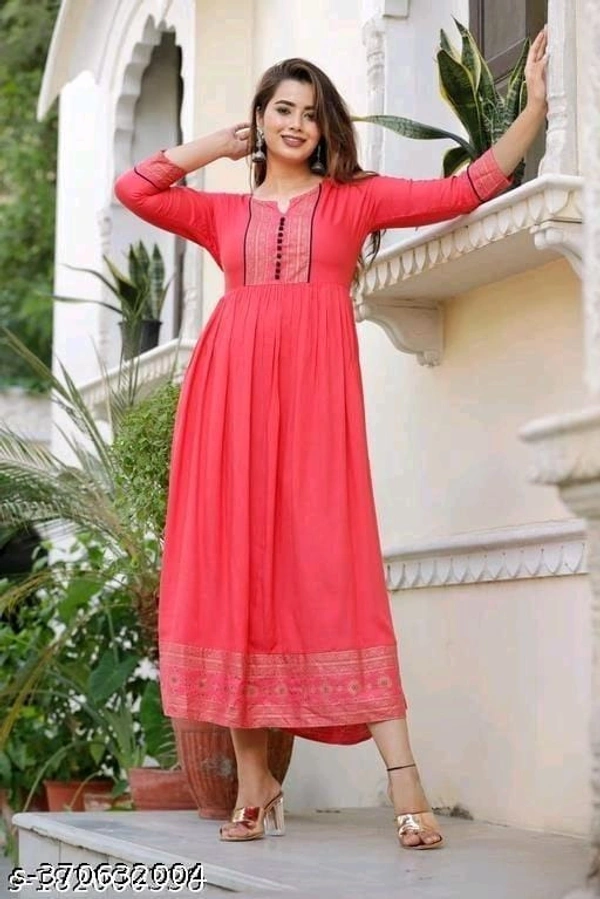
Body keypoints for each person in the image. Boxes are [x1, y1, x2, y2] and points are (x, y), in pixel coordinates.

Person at [115, 27, 548, 850]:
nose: (295, 124)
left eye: (310, 114)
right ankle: (255, 784)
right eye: (282, 109)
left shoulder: (357, 199)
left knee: (336, 573)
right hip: (228, 406)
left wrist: (535, 107)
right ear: (261, 117)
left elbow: (469, 187)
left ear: (326, 129)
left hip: (316, 411)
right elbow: (135, 186)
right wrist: (218, 145)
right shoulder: (222, 212)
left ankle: (405, 779)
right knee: (239, 579)